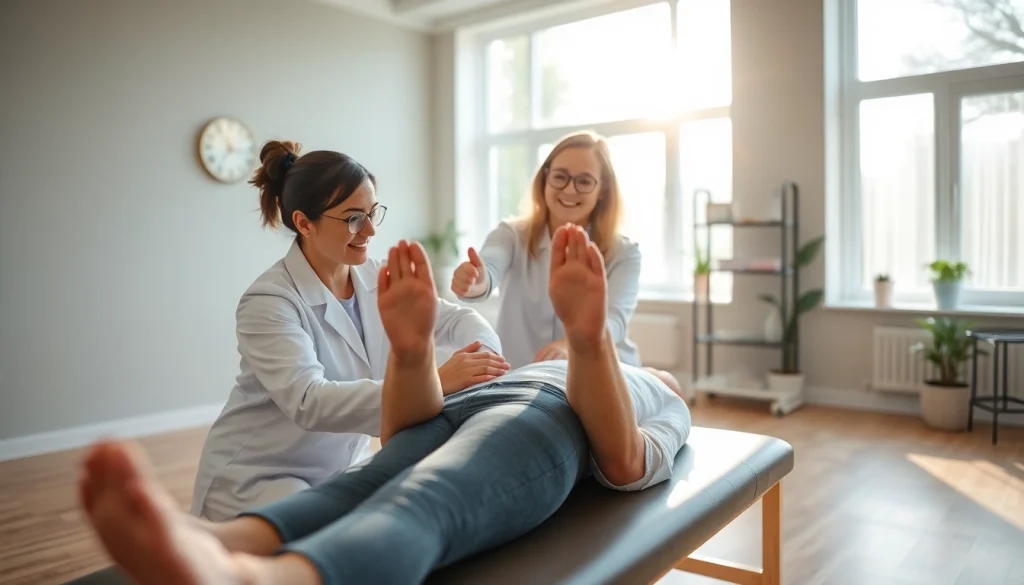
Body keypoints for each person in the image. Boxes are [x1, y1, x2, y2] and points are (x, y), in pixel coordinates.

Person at [78, 224, 691, 585]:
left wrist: (591, 341)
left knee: (428, 500)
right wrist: (412, 357)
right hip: (464, 409)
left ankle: (268, 579)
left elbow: (625, 460)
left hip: (545, 416)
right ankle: (229, 539)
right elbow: (399, 434)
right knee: (367, 479)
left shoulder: (663, 398)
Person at [190, 140, 510, 521]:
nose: (371, 230)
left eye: (373, 212)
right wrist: (434, 382)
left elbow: (456, 319)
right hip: (258, 476)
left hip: (340, 468)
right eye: (354, 218)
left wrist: (484, 356)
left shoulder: (374, 276)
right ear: (304, 223)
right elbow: (310, 401)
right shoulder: (269, 300)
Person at [451, 130, 644, 369]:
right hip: (523, 373)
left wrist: (570, 344)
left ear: (602, 190)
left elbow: (615, 320)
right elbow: (488, 269)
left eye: (584, 181)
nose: (570, 190)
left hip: (600, 373)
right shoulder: (511, 235)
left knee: (667, 383)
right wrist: (475, 281)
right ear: (545, 180)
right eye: (560, 176)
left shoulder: (625, 253)